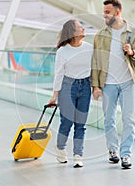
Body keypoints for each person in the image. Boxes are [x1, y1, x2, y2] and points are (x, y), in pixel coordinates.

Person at [91, 0, 135, 169]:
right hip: (107, 84)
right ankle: (113, 150)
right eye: (104, 11)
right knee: (108, 119)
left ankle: (126, 154)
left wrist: (133, 52)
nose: (104, 15)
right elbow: (95, 61)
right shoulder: (100, 35)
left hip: (127, 82)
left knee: (129, 119)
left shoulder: (134, 32)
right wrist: (95, 86)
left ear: (117, 13)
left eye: (107, 12)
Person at [48, 19, 93, 168]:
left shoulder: (89, 48)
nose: (83, 29)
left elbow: (95, 68)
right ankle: (61, 148)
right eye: (80, 27)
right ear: (73, 32)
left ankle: (78, 155)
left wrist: (96, 87)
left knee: (81, 123)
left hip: (85, 85)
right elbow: (59, 74)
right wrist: (54, 96)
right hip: (68, 86)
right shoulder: (63, 51)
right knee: (66, 122)